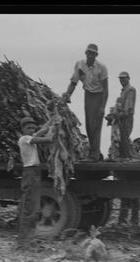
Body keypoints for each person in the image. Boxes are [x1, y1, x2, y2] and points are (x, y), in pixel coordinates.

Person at [62, 43, 108, 162]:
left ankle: (94, 155)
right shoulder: (80, 64)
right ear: (86, 53)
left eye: (93, 53)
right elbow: (74, 82)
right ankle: (95, 152)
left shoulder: (101, 67)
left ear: (96, 55)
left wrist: (103, 106)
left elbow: (106, 89)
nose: (91, 55)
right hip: (88, 94)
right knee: (89, 124)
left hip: (99, 95)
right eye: (89, 53)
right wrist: (67, 95)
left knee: (96, 125)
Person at [16, 117, 54, 248]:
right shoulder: (24, 139)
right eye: (29, 128)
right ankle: (24, 242)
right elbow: (48, 139)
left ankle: (28, 240)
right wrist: (55, 128)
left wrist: (52, 120)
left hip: (34, 172)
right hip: (30, 173)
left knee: (34, 207)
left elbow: (42, 130)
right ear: (23, 129)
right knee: (29, 208)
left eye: (33, 128)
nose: (32, 130)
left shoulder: (30, 138)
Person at [118, 137, 140, 226]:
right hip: (126, 180)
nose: (139, 146)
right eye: (138, 143)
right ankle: (122, 221)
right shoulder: (128, 153)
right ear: (133, 143)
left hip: (136, 182)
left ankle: (134, 222)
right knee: (125, 202)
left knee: (135, 203)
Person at [115, 71, 136, 158]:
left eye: (124, 78)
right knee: (121, 140)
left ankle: (126, 158)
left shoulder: (130, 90)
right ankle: (123, 157)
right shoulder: (123, 91)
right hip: (122, 118)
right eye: (120, 78)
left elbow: (127, 111)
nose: (122, 80)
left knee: (124, 140)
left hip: (126, 118)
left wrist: (116, 116)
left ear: (128, 78)